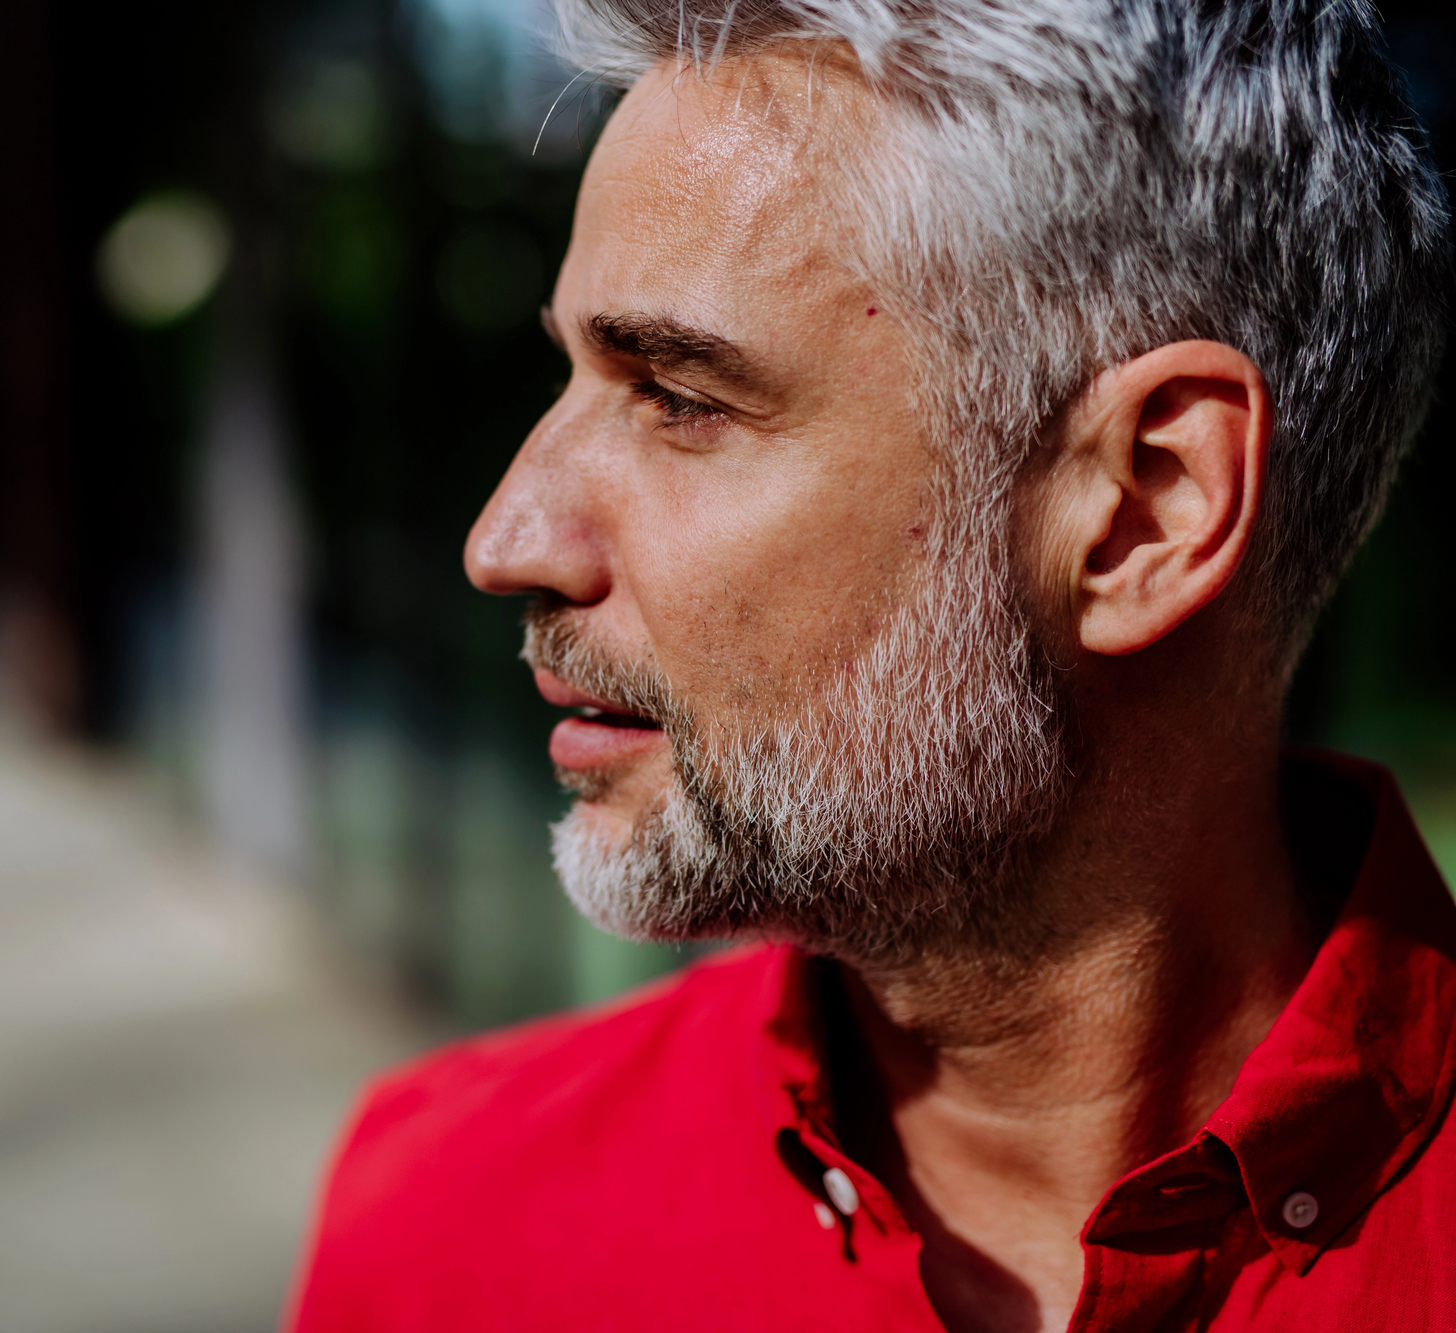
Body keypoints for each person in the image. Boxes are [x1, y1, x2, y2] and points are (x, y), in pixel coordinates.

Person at [289, 3, 1456, 1330]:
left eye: (681, 396)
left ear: (1147, 507)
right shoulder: (456, 1229)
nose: (508, 542)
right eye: (571, 373)